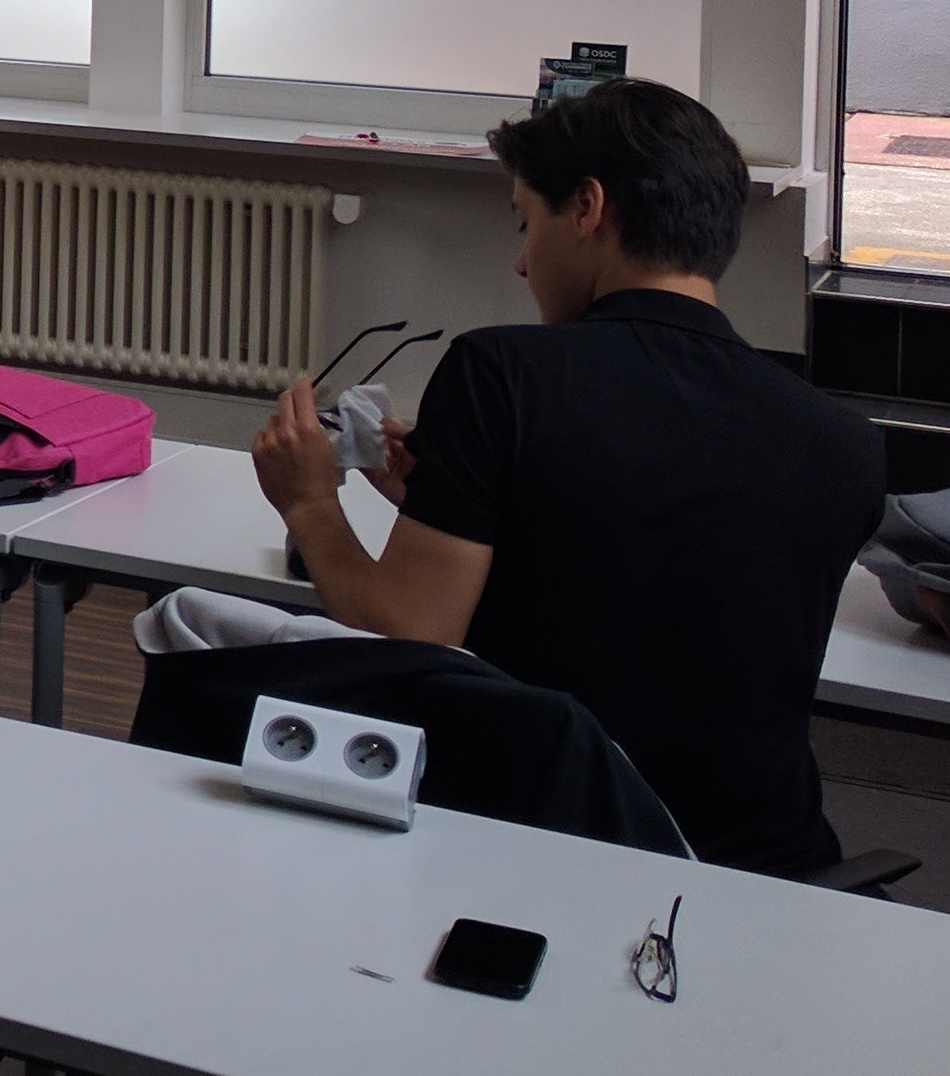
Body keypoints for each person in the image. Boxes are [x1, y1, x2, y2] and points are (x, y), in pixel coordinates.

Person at [250, 76, 882, 878]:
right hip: (767, 877)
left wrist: (310, 503)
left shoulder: (503, 372)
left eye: (527, 223)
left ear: (587, 207)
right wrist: (471, 499)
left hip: (543, 846)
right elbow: (669, 583)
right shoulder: (845, 443)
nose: (522, 263)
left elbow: (409, 632)